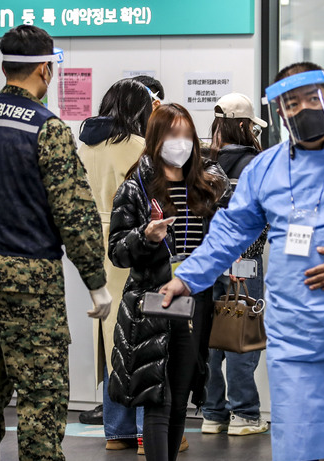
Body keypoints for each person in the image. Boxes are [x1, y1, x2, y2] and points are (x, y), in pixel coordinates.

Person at [160, 62, 324, 461]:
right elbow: (231, 230)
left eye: (313, 98)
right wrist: (188, 278)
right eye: (291, 103)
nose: (304, 109)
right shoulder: (266, 167)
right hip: (295, 334)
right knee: (300, 443)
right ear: (279, 112)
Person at [0, 25, 112, 460]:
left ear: (4, 66)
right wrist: (97, 281)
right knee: (40, 403)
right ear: (45, 68)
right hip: (32, 286)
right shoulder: (47, 128)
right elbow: (74, 215)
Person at [107, 103, 230, 461]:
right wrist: (145, 236)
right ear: (156, 138)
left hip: (196, 300)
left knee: (180, 400)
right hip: (153, 303)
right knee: (158, 401)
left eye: (187, 135)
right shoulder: (136, 188)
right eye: (173, 134)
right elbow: (117, 252)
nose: (181, 142)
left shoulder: (204, 186)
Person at [77, 78, 152, 453]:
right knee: (137, 334)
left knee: (107, 337)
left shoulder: (86, 145)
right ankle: (143, 431)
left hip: (93, 244)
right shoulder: (137, 146)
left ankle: (116, 431)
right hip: (130, 242)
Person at [201, 92, 270, 436]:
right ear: (244, 126)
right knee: (242, 334)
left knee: (214, 337)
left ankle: (213, 413)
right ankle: (244, 414)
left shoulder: (203, 162)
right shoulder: (256, 164)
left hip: (208, 260)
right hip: (245, 261)